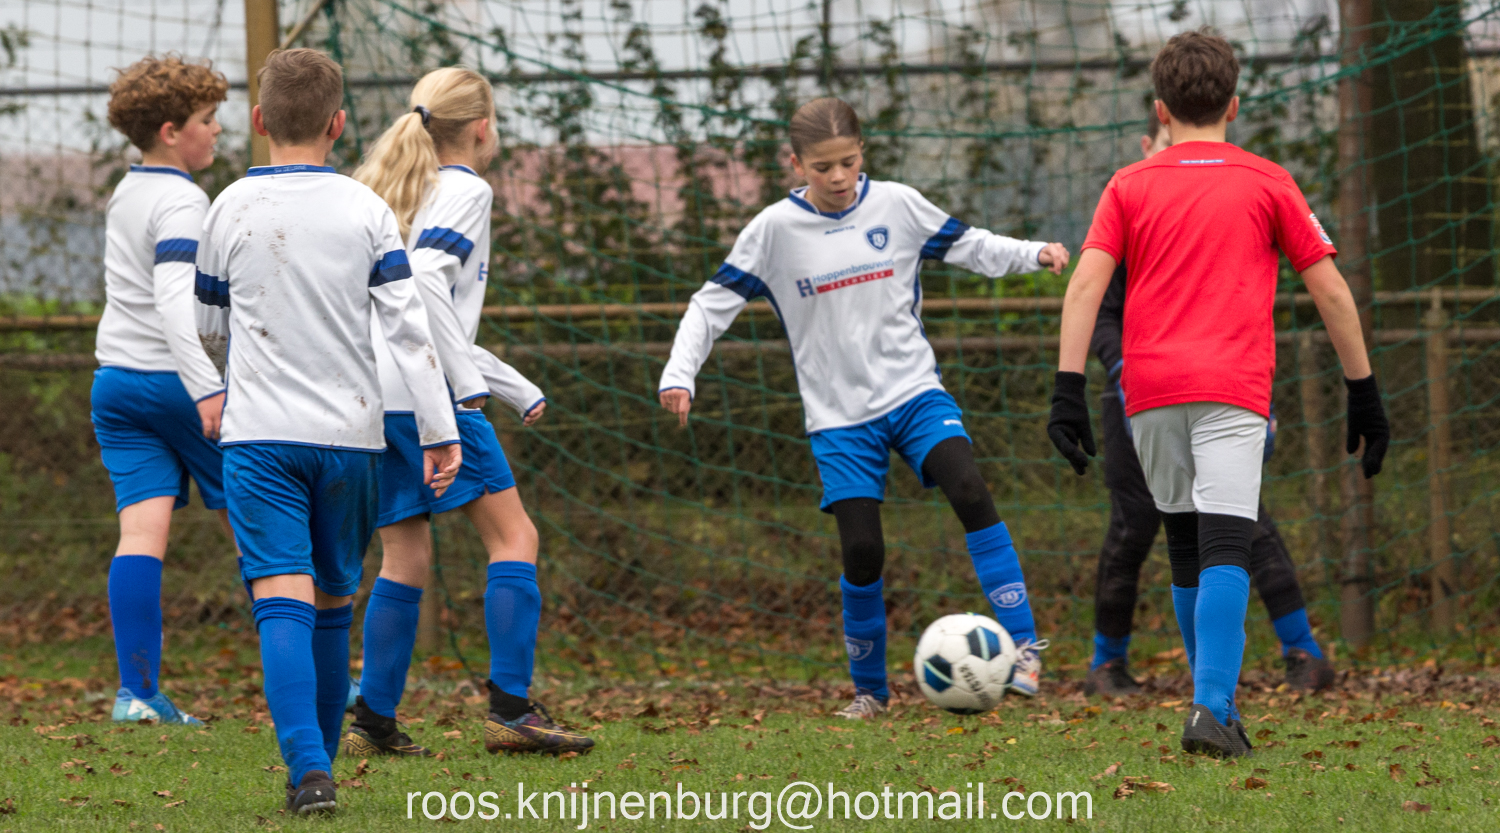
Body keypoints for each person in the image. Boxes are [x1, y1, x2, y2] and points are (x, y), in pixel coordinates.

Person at [658, 97, 1070, 718]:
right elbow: (709, 305)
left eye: (848, 162)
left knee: (969, 487)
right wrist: (679, 372)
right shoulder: (773, 231)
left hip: (914, 393)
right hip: (838, 419)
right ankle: (870, 692)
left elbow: (971, 244)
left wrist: (1031, 252)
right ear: (796, 165)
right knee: (862, 549)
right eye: (822, 166)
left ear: (862, 154)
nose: (838, 177)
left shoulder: (897, 205)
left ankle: (1024, 650)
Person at [1050, 30, 1388, 758]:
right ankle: (1211, 709)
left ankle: (1214, 707)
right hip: (1232, 389)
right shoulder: (1268, 180)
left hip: (1147, 392)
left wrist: (1066, 390)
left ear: (1160, 109)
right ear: (1234, 105)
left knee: (1183, 544)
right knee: (1227, 543)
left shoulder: (1127, 184)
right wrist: (1363, 389)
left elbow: (1085, 286)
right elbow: (1330, 290)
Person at [195, 48, 461, 813]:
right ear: (338, 124)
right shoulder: (366, 209)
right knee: (334, 599)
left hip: (260, 437)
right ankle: (317, 766)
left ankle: (310, 770)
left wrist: (226, 378)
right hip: (352, 439)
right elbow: (409, 330)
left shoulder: (228, 207)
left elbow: (207, 323)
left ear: (258, 119)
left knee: (281, 594)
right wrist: (439, 429)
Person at [342, 67, 593, 758]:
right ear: (483, 126)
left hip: (376, 397)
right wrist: (472, 383)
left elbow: (412, 306)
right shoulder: (465, 189)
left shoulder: (398, 187)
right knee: (515, 538)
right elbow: (427, 285)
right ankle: (512, 710)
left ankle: (373, 722)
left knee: (405, 555)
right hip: (428, 396)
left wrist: (510, 382)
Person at [1084, 109, 1334, 698]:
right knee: (1135, 527)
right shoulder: (1127, 205)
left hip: (1221, 392)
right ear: (1150, 142)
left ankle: (1300, 653)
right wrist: (1122, 370)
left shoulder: (1231, 199)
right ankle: (1107, 663)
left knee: (1245, 527)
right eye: (1168, 145)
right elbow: (1097, 309)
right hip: (1140, 399)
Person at [94, 55, 232, 726]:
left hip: (115, 383)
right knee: (262, 527)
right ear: (173, 131)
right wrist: (208, 389)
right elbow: (178, 304)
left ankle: (138, 695)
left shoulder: (128, 190)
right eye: (208, 119)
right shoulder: (183, 200)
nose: (218, 131)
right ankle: (325, 680)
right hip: (175, 385)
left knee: (140, 535)